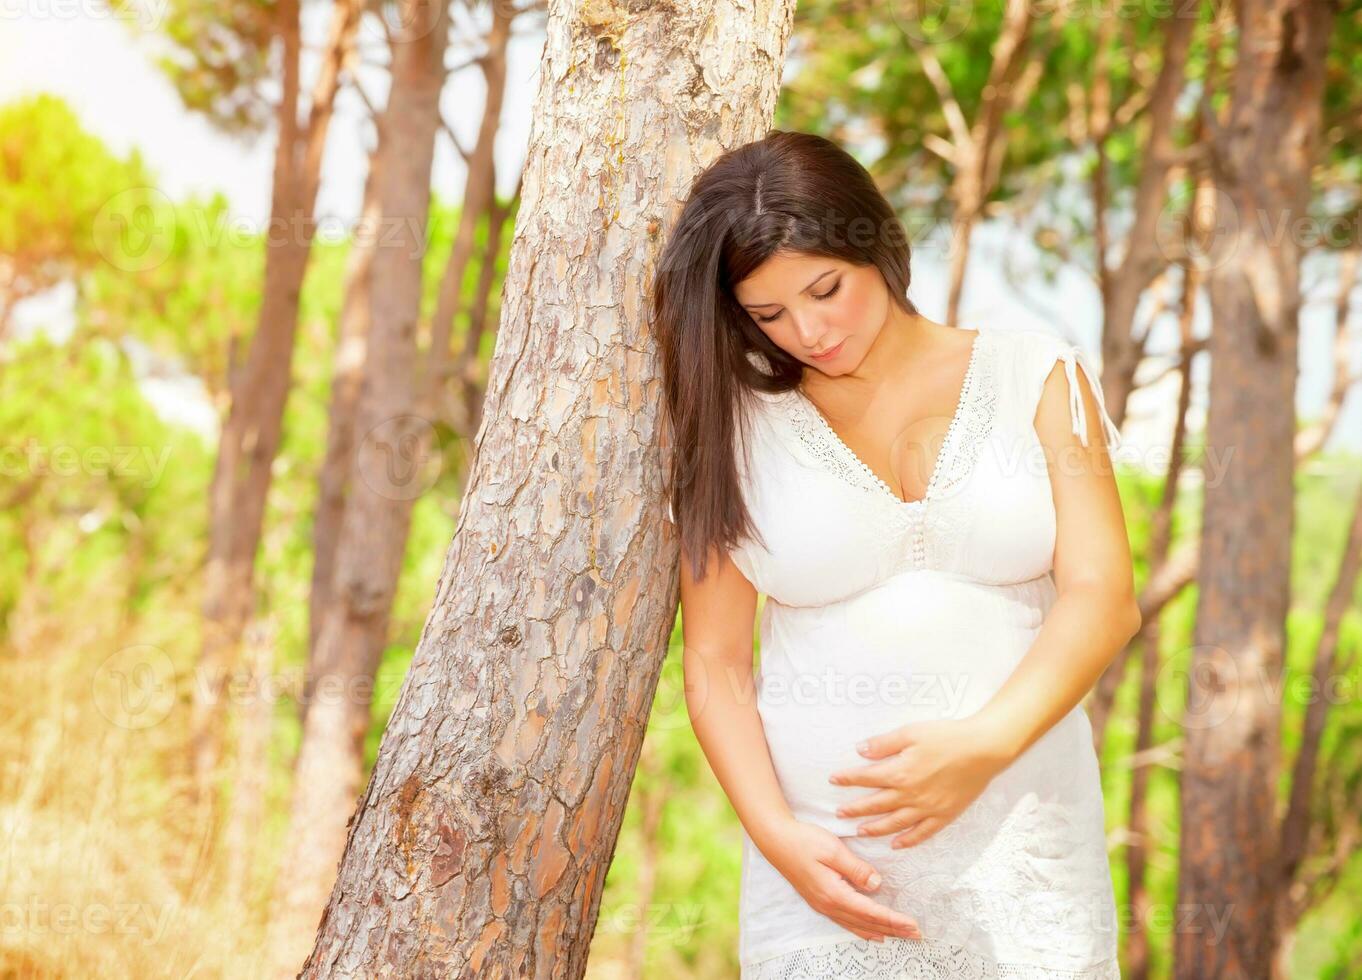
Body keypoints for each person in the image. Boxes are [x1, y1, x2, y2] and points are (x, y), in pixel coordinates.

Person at [651, 130, 1140, 978]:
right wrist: (777, 838)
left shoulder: (1037, 376)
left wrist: (986, 742)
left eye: (826, 289)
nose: (809, 330)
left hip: (1027, 862)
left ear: (874, 243)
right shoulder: (730, 431)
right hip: (829, 879)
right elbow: (716, 663)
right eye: (768, 314)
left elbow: (1103, 595)